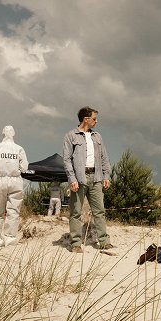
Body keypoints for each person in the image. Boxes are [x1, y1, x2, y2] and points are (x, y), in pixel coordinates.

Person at [63, 106, 113, 253]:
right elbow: (66, 160)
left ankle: (104, 241)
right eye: (94, 119)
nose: (96, 122)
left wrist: (106, 176)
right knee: (76, 212)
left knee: (99, 211)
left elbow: (104, 157)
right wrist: (72, 179)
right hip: (79, 178)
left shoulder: (97, 136)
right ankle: (76, 244)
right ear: (86, 119)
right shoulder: (70, 136)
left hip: (96, 178)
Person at [0, 125, 28, 247]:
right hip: (15, 180)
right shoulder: (19, 148)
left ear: (2, 133)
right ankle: (10, 237)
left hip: (0, 179)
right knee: (13, 210)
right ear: (14, 134)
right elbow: (24, 167)